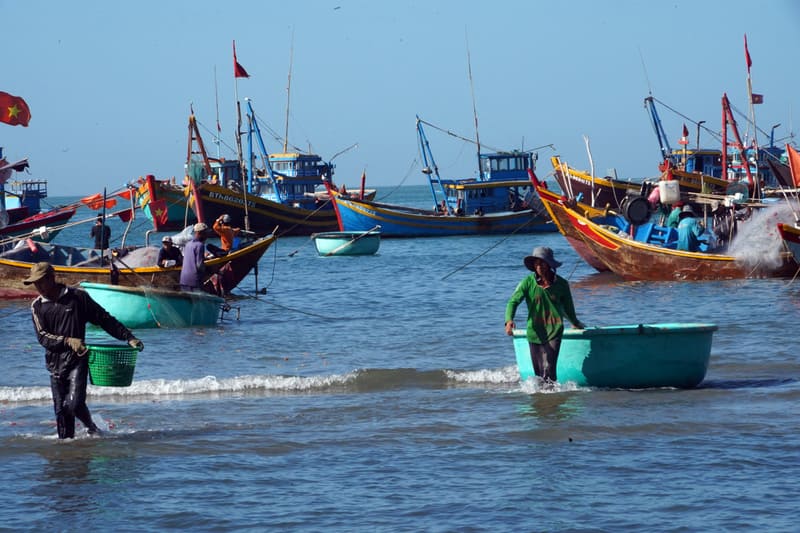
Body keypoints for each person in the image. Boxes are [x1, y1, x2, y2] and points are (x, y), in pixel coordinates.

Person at [25, 261, 143, 439]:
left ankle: (91, 428)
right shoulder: (37, 306)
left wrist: (128, 337)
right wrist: (67, 340)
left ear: (51, 278)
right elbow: (43, 337)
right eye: (35, 283)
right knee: (61, 413)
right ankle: (68, 455)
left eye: (41, 281)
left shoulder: (78, 298)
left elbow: (104, 318)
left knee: (74, 404)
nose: (38, 287)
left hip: (77, 361)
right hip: (54, 366)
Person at [504, 246, 585, 383]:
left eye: (542, 263)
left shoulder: (562, 284)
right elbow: (513, 302)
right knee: (539, 373)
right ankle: (542, 400)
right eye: (536, 263)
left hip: (554, 330)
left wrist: (576, 323)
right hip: (534, 331)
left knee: (549, 368)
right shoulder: (527, 283)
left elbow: (569, 309)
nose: (539, 266)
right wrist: (509, 320)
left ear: (549, 265)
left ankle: (552, 400)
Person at [180, 222, 208, 291]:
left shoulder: (188, 244)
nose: (207, 235)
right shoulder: (200, 245)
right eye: (205, 233)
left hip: (183, 280)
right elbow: (199, 266)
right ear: (199, 233)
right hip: (194, 282)